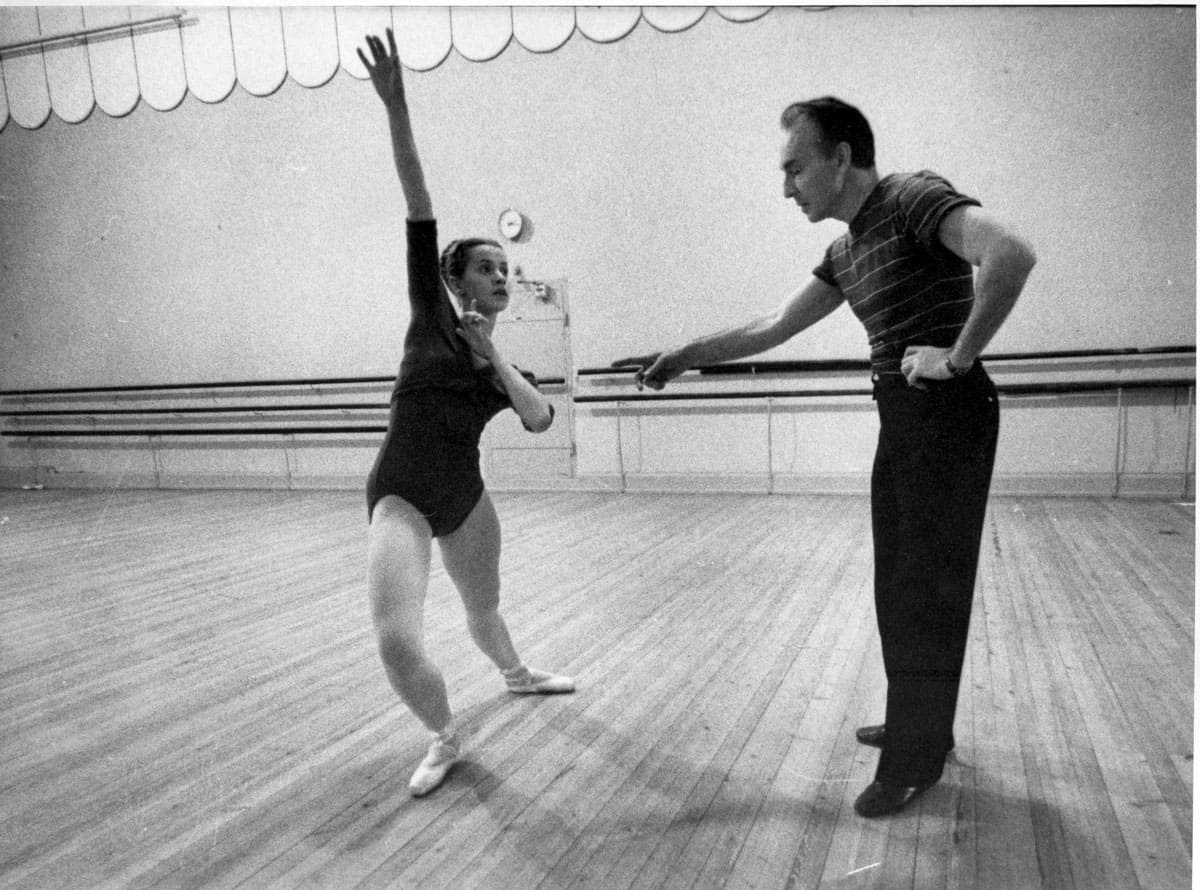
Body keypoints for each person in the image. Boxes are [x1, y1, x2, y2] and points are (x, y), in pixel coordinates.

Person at [613, 97, 1035, 818]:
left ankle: (914, 759)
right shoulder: (846, 248)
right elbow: (773, 325)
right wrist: (684, 355)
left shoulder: (911, 199)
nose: (787, 188)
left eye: (795, 168)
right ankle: (919, 726)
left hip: (948, 414)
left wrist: (958, 358)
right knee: (898, 584)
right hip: (903, 418)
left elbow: (1011, 253)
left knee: (925, 588)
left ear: (840, 157)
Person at [357, 29, 574, 799]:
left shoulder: (494, 362)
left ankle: (516, 676)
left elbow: (542, 418)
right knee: (395, 639)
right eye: (487, 267)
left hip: (467, 502)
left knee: (485, 613)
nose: (500, 276)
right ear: (456, 281)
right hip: (403, 496)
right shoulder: (430, 315)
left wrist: (495, 357)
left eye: (506, 270)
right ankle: (444, 735)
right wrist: (397, 105)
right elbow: (418, 201)